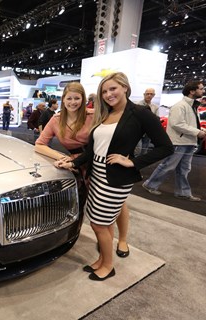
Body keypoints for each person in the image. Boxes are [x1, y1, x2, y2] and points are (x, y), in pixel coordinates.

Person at [55, 72, 173, 281]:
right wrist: (73, 162)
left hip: (115, 178)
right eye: (104, 91)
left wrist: (133, 162)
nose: (108, 94)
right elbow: (92, 150)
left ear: (125, 88)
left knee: (98, 224)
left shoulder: (139, 113)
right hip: (97, 174)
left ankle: (108, 266)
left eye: (113, 89)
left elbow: (165, 147)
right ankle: (103, 260)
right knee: (103, 221)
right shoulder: (105, 114)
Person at [35, 82, 131, 261]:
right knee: (96, 204)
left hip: (103, 160)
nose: (73, 102)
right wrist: (62, 156)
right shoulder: (56, 120)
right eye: (69, 98)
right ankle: (105, 239)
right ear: (63, 99)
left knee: (116, 202)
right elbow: (40, 144)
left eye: (77, 98)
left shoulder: (94, 115)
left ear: (83, 99)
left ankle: (123, 240)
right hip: (79, 165)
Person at [142, 80, 206, 201]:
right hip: (179, 142)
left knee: (184, 169)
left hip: (188, 142)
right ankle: (150, 184)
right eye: (201, 89)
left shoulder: (192, 106)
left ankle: (183, 192)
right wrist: (197, 132)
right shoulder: (180, 106)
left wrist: (199, 129)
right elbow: (177, 124)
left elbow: (189, 123)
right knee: (168, 166)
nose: (203, 91)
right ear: (192, 91)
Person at [136, 88, 160, 155]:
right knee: (137, 150)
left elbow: (157, 119)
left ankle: (142, 165)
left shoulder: (155, 107)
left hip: (148, 133)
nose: (149, 95)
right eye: (147, 94)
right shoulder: (137, 105)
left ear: (154, 95)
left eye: (151, 94)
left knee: (144, 152)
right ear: (144, 94)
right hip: (137, 132)